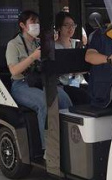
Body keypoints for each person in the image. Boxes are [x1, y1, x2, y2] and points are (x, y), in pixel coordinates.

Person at [6, 10, 72, 138]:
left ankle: (66, 140)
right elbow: (14, 71)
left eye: (38, 22)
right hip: (22, 84)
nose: (36, 25)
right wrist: (33, 56)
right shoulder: (13, 44)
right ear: (22, 25)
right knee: (43, 103)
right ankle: (47, 148)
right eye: (33, 22)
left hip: (40, 81)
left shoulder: (39, 42)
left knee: (65, 99)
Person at [54, 12, 83, 88]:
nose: (71, 28)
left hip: (78, 82)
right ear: (59, 27)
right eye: (67, 25)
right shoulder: (54, 47)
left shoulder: (77, 44)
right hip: (61, 85)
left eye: (73, 25)